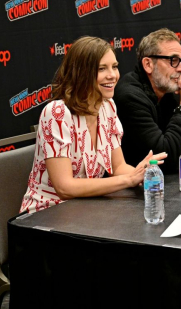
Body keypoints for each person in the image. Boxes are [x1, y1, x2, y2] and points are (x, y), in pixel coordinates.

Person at [20, 36, 166, 214]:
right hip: (47, 213)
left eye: (115, 66)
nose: (112, 75)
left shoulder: (108, 106)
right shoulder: (57, 113)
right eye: (101, 69)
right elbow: (65, 188)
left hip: (86, 208)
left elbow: (118, 167)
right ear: (81, 73)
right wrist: (129, 180)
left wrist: (143, 175)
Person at [113, 28, 181, 172]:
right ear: (148, 64)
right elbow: (165, 158)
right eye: (173, 60)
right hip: (139, 188)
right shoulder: (130, 96)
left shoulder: (169, 90)